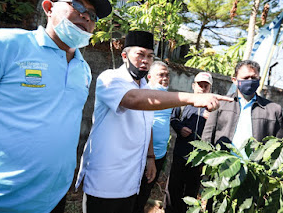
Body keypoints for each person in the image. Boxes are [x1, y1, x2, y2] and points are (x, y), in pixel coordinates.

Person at [0, 0, 112, 212]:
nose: (86, 16)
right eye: (77, 6)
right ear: (48, 8)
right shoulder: (2, 45)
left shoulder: (83, 69)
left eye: (93, 15)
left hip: (52, 199)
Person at [75, 30, 232, 213]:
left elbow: (146, 127)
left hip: (133, 177)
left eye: (150, 56)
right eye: (140, 55)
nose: (145, 60)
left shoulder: (144, 87)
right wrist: (191, 98)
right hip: (106, 178)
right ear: (124, 55)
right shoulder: (110, 78)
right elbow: (133, 100)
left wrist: (150, 158)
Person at [202, 60, 283, 156]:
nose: (250, 81)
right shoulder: (220, 104)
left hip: (255, 167)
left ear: (259, 79)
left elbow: (278, 143)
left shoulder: (273, 110)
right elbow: (208, 135)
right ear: (234, 80)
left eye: (254, 77)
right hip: (222, 163)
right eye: (245, 78)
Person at [164, 72, 214, 213]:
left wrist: (211, 118)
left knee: (192, 190)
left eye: (206, 86)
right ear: (193, 86)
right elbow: (173, 118)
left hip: (199, 158)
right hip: (181, 152)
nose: (202, 88)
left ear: (210, 88)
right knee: (174, 186)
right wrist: (180, 128)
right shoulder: (183, 102)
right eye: (199, 85)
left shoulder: (213, 107)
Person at [133, 61, 172, 213]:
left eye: (167, 75)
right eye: (160, 75)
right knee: (135, 194)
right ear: (149, 76)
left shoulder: (168, 96)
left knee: (144, 193)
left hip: (160, 154)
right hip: (144, 154)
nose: (165, 78)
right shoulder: (145, 93)